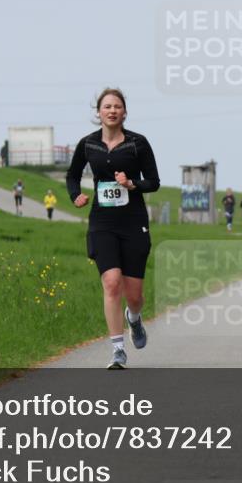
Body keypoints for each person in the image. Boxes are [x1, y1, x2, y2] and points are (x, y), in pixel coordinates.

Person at [66, 88, 161, 369]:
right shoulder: (88, 145)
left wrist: (132, 183)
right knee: (111, 283)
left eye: (117, 106)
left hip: (133, 222)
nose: (112, 111)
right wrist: (75, 196)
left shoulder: (137, 143)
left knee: (134, 295)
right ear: (98, 112)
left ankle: (134, 318)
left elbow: (153, 181)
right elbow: (72, 175)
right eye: (107, 106)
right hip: (102, 222)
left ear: (124, 112)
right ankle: (118, 350)